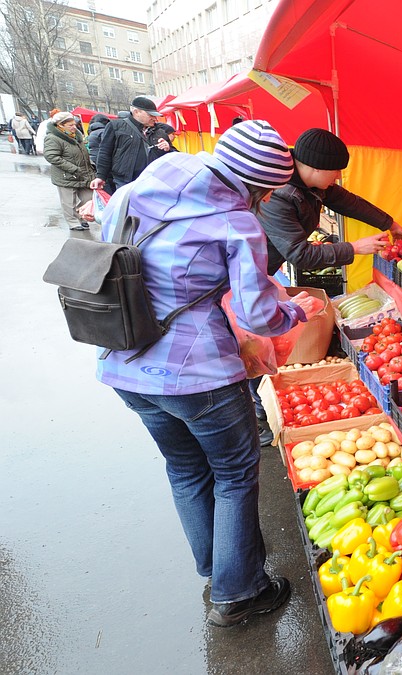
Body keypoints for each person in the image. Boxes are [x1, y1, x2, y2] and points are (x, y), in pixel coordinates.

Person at [97, 120, 319, 627]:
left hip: (123, 360)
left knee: (184, 467)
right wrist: (296, 312)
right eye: (266, 190)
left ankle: (216, 569)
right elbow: (260, 315)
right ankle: (239, 591)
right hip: (197, 373)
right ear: (260, 185)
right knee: (235, 474)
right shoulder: (236, 220)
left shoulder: (136, 188)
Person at [249, 128, 402, 444]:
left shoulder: (311, 186)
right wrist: (355, 248)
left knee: (261, 339)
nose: (338, 177)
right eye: (336, 170)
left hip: (264, 269)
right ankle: (259, 415)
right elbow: (300, 254)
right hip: (251, 273)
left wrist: (389, 223)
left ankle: (258, 405)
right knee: (253, 341)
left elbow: (347, 201)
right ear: (313, 167)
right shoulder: (280, 195)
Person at [90, 96, 172, 194]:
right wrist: (100, 176)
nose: (155, 118)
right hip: (125, 182)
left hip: (153, 181)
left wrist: (168, 148)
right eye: (150, 115)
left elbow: (173, 154)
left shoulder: (160, 131)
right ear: (136, 112)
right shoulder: (116, 126)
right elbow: (105, 152)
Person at [42, 111, 96, 231]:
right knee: (68, 202)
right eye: (70, 125)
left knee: (89, 197)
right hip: (66, 175)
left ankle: (80, 216)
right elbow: (51, 156)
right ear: (60, 125)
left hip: (83, 173)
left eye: (74, 124)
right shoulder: (53, 138)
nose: (74, 127)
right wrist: (73, 168)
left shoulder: (76, 135)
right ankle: (73, 222)